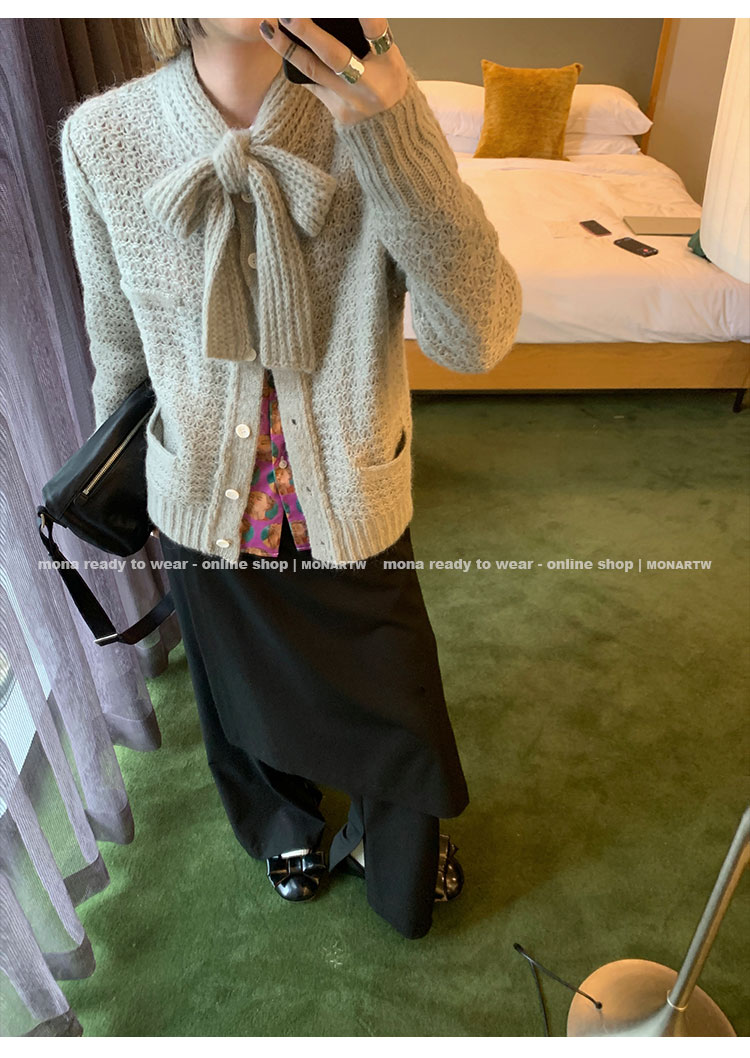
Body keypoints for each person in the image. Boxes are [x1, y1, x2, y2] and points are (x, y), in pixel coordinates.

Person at [60, 17, 523, 940]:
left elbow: (478, 337)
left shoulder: (373, 115)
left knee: (394, 698)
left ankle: (396, 850)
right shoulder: (102, 137)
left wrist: (393, 134)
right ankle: (283, 826)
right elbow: (118, 344)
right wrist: (137, 488)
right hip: (201, 495)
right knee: (238, 694)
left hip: (351, 492)